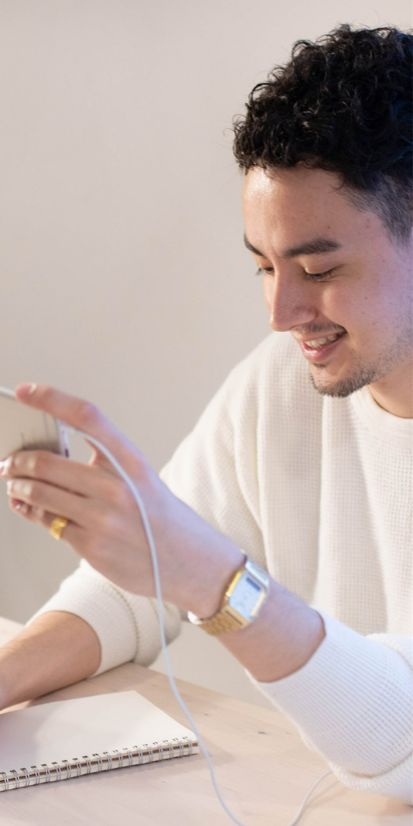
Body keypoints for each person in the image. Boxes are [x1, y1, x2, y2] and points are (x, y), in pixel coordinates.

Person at [0, 24, 412, 804]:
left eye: (318, 269)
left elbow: (403, 744)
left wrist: (209, 577)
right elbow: (136, 588)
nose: (282, 312)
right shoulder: (281, 386)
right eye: (263, 265)